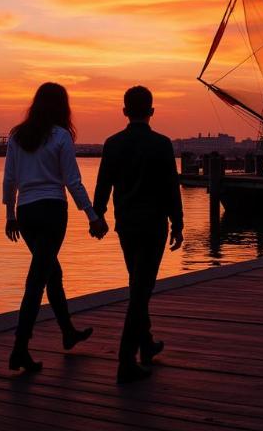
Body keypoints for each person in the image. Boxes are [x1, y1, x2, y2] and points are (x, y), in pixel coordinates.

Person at [3, 82, 108, 372]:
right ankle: (19, 349)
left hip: (25, 213)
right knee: (37, 279)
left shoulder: (16, 136)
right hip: (51, 211)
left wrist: (9, 214)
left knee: (51, 271)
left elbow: (10, 178)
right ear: (62, 107)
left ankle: (68, 333)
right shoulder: (61, 136)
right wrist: (92, 215)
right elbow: (72, 181)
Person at [93, 85, 183, 383]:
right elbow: (171, 187)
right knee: (141, 290)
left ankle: (146, 344)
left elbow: (103, 182)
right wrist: (178, 223)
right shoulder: (162, 144)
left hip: (127, 225)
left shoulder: (112, 143)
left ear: (124, 111)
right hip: (154, 225)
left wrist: (98, 215)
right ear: (152, 111)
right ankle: (125, 361)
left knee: (138, 284)